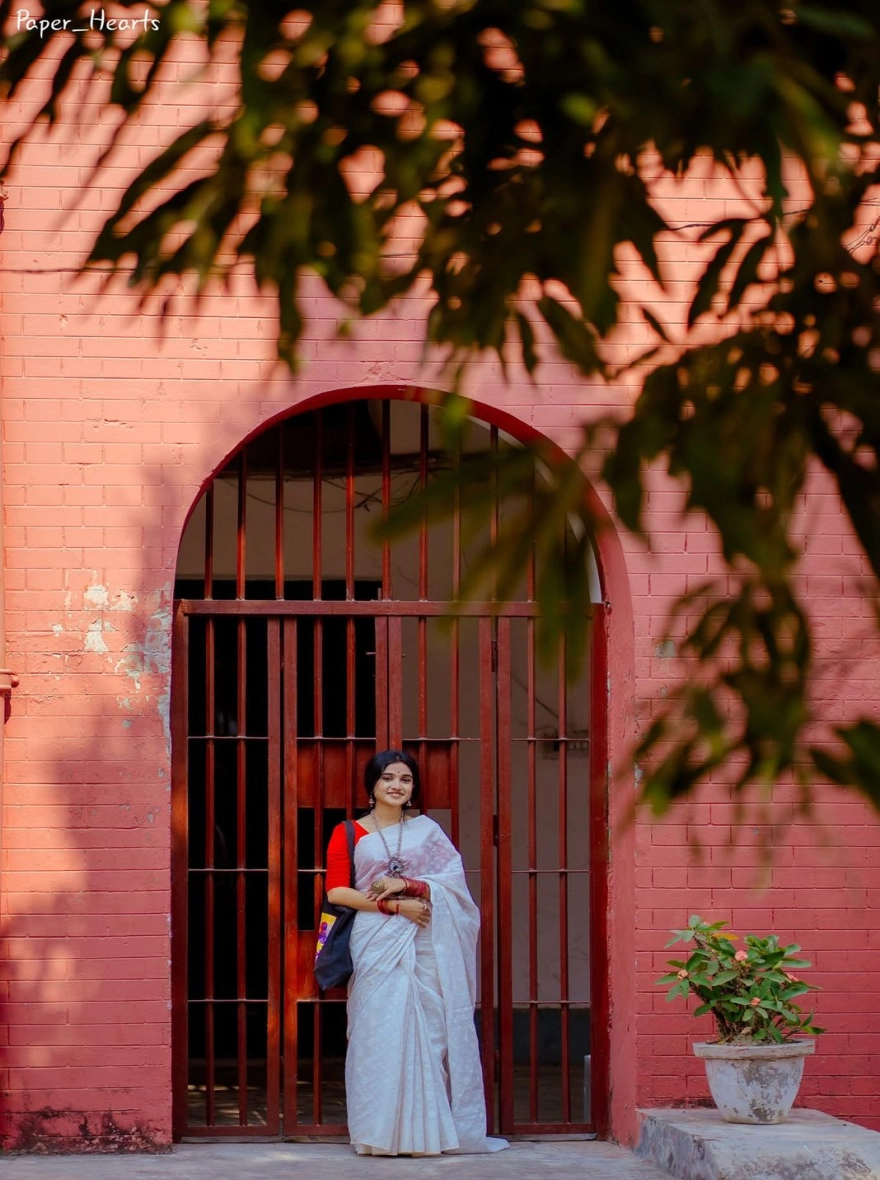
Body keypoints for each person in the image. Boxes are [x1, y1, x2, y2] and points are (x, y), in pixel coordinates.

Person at [324, 749, 509, 1157]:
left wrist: (412, 886)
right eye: (388, 777)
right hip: (376, 939)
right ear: (372, 785)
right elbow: (336, 892)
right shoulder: (349, 832)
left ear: (413, 789)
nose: (396, 785)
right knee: (379, 1031)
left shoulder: (428, 831)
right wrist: (393, 904)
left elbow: (453, 884)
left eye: (405, 779)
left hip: (426, 940)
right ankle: (381, 1134)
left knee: (432, 1032)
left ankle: (431, 1133)